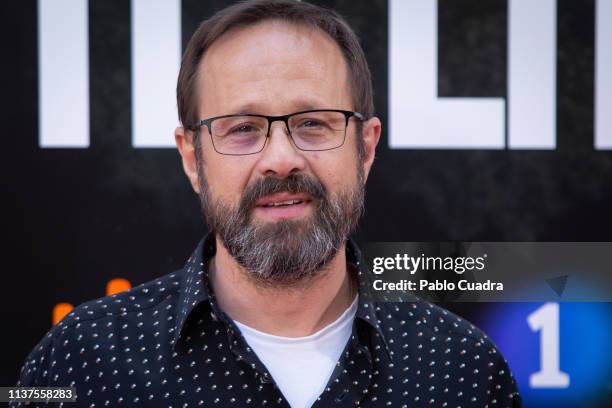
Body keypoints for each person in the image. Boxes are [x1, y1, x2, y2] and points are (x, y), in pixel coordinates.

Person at [13, 1, 521, 407]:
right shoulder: (80, 361)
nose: (280, 159)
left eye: (313, 123)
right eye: (242, 129)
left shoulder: (463, 369)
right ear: (192, 158)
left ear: (365, 148)